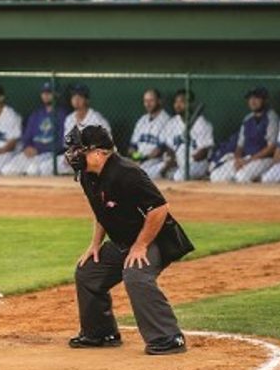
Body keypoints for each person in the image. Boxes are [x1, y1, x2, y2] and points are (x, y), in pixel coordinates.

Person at [68, 124, 191, 356]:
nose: (74, 155)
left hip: (157, 239)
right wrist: (95, 244)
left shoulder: (127, 173)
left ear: (98, 153)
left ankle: (168, 337)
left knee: (136, 274)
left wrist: (141, 245)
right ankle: (101, 333)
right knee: (88, 271)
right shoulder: (88, 176)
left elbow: (159, 208)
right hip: (124, 242)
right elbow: (102, 212)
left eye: (79, 150)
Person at [210, 87, 280, 184]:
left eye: (256, 98)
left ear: (265, 99)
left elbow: (271, 147)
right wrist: (238, 159)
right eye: (250, 98)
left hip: (264, 159)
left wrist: (250, 160)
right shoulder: (247, 118)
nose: (252, 101)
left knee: (242, 177)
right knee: (216, 176)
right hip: (245, 158)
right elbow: (239, 146)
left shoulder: (272, 117)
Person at [160, 90, 215, 182]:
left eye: (182, 102)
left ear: (191, 104)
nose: (178, 105)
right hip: (178, 163)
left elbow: (204, 152)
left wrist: (186, 161)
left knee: (179, 176)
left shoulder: (202, 124)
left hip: (198, 163)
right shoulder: (172, 123)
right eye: (176, 102)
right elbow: (169, 147)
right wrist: (172, 160)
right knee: (161, 173)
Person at [127, 89, 169, 177]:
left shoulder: (167, 121)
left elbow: (160, 149)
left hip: (156, 161)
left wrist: (143, 159)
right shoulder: (142, 120)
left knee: (139, 173)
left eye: (151, 100)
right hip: (139, 159)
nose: (148, 104)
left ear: (159, 101)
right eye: (146, 101)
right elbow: (132, 146)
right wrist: (135, 157)